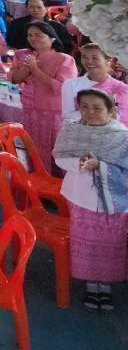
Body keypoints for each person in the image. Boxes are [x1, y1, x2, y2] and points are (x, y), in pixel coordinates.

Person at [54, 89, 128, 311]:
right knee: (85, 243)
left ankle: (105, 287)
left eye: (97, 108)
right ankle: (90, 284)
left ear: (111, 111)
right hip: (80, 196)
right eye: (85, 107)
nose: (90, 112)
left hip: (114, 202)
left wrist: (101, 166)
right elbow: (59, 156)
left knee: (110, 244)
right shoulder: (71, 130)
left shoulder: (122, 136)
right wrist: (80, 164)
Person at [10, 22, 77, 172]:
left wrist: (36, 69)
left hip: (53, 113)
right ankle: (37, 182)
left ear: (52, 38)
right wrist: (27, 69)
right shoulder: (23, 55)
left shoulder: (64, 59)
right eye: (30, 35)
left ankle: (56, 187)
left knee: (55, 150)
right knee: (33, 148)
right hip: (31, 111)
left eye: (38, 35)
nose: (33, 38)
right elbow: (14, 79)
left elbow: (62, 88)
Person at [61, 43, 128, 124]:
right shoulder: (70, 84)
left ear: (108, 61)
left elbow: (124, 119)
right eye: (84, 57)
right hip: (81, 132)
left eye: (95, 58)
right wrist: (103, 113)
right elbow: (67, 115)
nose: (89, 61)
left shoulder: (121, 88)